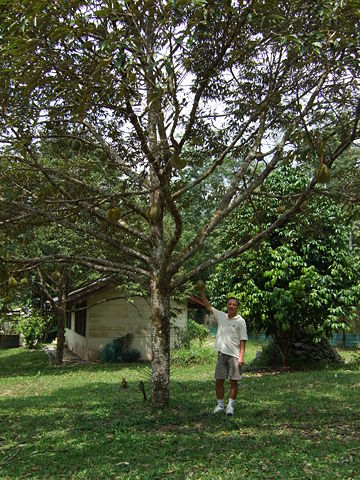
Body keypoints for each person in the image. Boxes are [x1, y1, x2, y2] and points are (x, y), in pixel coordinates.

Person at [199, 285, 247, 416]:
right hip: (222, 355)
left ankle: (230, 406)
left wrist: (241, 357)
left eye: (234, 305)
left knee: (234, 381)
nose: (231, 306)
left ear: (237, 307)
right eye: (229, 304)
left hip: (235, 356)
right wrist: (202, 292)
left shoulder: (241, 321)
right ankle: (220, 405)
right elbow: (208, 306)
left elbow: (243, 340)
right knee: (219, 380)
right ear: (227, 306)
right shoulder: (221, 316)